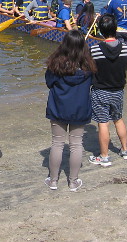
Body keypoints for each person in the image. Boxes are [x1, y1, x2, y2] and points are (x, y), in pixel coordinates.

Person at [44, 30, 97, 192]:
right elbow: (93, 82)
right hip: (79, 109)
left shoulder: (55, 65)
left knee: (57, 143)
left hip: (58, 108)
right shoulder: (88, 67)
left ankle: (53, 180)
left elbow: (49, 82)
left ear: (64, 45)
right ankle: (73, 182)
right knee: (76, 144)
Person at [88, 13, 127, 167]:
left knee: (103, 122)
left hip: (100, 90)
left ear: (101, 30)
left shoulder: (94, 49)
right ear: (115, 28)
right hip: (118, 90)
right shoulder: (125, 48)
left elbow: (89, 68)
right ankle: (125, 150)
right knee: (118, 119)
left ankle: (104, 156)